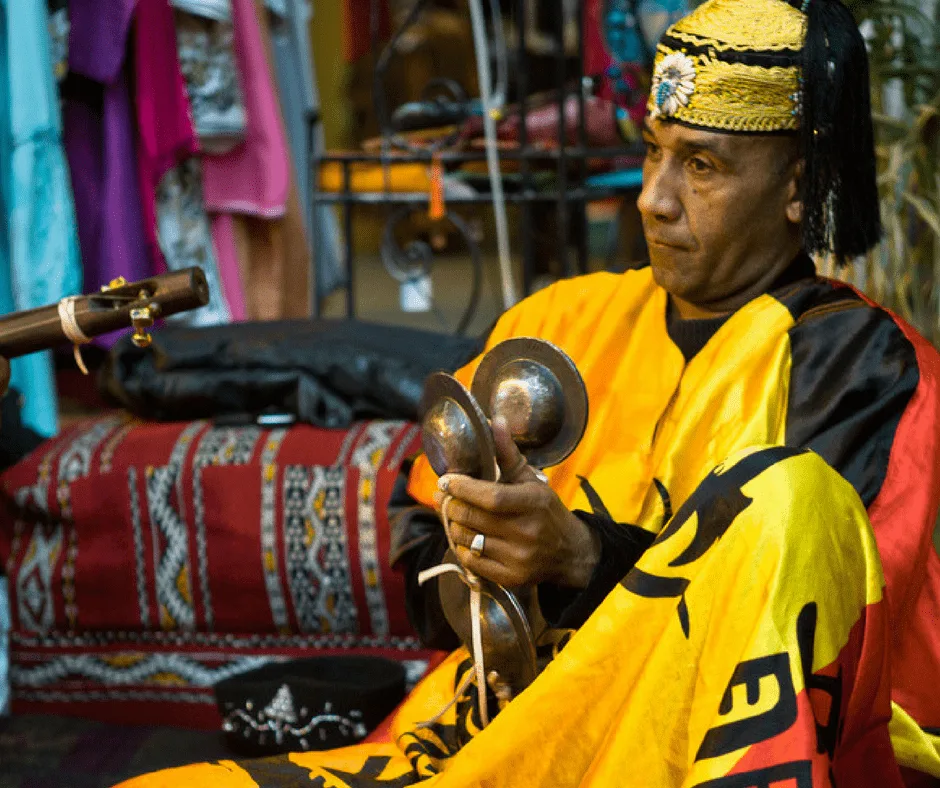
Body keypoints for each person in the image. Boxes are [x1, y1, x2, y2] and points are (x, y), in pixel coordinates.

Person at [119, 0, 940, 786]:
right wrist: (483, 557)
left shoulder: (862, 367)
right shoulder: (558, 321)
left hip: (685, 755)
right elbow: (425, 570)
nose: (655, 198)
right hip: (487, 734)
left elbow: (811, 638)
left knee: (787, 498)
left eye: (702, 165)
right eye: (652, 150)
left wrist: (580, 559)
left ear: (799, 185)